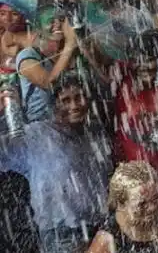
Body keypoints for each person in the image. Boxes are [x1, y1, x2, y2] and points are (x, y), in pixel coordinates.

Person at [0, 74, 112, 253]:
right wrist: (2, 114)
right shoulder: (36, 135)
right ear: (53, 105)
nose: (74, 106)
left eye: (79, 97)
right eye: (65, 100)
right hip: (62, 236)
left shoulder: (95, 133)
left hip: (102, 227)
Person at [86, 162, 158, 253]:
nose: (152, 208)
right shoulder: (108, 239)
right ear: (121, 205)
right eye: (142, 204)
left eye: (156, 198)